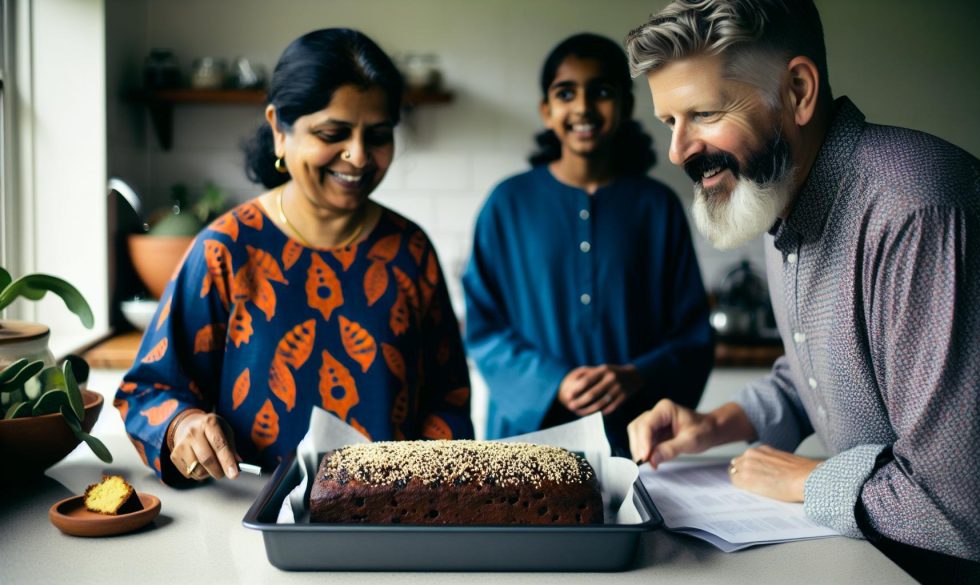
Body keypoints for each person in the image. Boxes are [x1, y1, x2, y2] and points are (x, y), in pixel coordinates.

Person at [623, 1, 980, 581]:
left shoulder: (917, 213)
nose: (678, 151)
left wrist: (807, 480)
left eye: (704, 113)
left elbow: (969, 511)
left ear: (799, 91)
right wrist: (718, 424)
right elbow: (815, 372)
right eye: (669, 122)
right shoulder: (774, 187)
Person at [117, 28, 472, 485]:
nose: (359, 156)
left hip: (391, 519)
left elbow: (449, 398)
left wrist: (430, 482)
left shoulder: (409, 251)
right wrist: (184, 426)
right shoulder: (226, 250)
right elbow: (148, 390)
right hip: (250, 517)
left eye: (378, 136)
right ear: (279, 130)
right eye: (332, 133)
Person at [462, 33, 712, 453]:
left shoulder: (657, 207)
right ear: (546, 110)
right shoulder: (507, 204)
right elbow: (482, 328)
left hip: (632, 439)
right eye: (566, 93)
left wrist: (636, 375)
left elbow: (692, 336)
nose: (582, 107)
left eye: (600, 91)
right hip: (525, 443)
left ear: (626, 106)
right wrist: (553, 382)